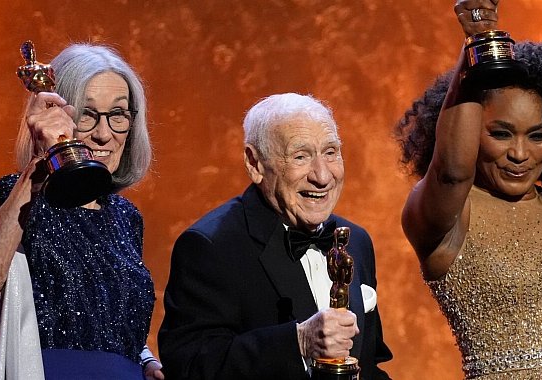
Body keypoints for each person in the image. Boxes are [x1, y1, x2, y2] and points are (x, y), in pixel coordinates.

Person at [395, 1, 542, 378]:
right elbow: (451, 174)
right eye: (501, 133)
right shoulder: (450, 218)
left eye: (537, 136)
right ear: (472, 133)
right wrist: (477, 50)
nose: (520, 154)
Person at [158, 93, 393, 379]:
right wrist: (298, 342)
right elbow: (190, 367)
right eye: (300, 156)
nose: (322, 175)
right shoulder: (210, 246)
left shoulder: (356, 240)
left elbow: (369, 365)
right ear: (255, 163)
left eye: (330, 152)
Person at [0, 44, 163, 379]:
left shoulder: (127, 217)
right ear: (57, 116)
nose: (104, 134)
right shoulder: (22, 195)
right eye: (87, 115)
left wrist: (146, 359)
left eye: (118, 115)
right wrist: (40, 169)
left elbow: (111, 319)